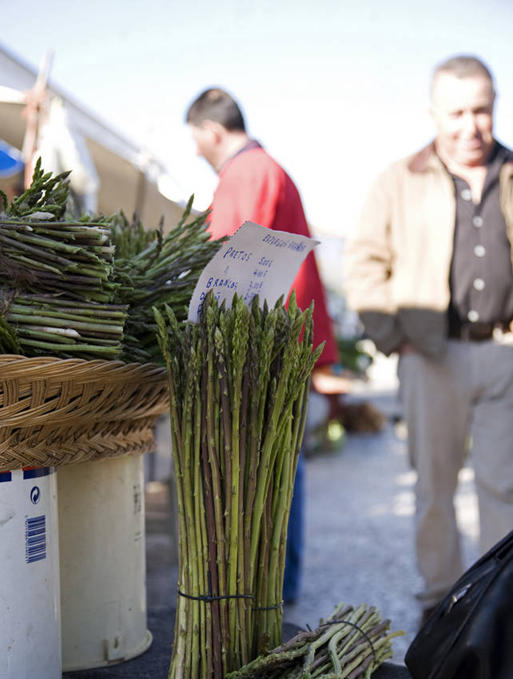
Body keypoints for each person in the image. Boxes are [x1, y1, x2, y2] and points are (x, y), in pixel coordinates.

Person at [344, 55, 513, 623]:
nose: (471, 126)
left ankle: (497, 612)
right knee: (434, 493)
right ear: (434, 112)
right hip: (431, 357)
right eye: (458, 112)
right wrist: (397, 338)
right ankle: (440, 608)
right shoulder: (398, 179)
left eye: (483, 110)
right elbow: (364, 266)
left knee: (505, 489)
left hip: (506, 354)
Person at [186, 87, 350, 603]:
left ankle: (271, 585)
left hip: (262, 344)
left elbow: (231, 263)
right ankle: (277, 583)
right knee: (281, 455)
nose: (195, 152)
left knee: (273, 458)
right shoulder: (265, 168)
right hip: (279, 337)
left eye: (195, 140)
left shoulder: (248, 172)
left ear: (212, 131)